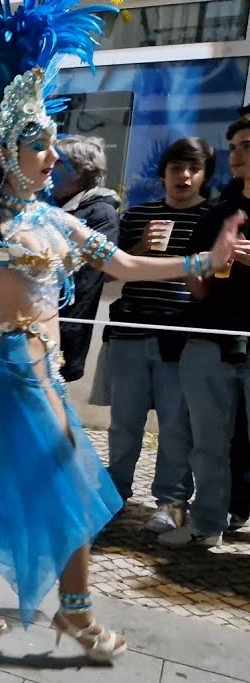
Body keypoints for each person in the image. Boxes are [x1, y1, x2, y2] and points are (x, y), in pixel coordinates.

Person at [0, 0, 248, 663]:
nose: (55, 154)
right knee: (74, 485)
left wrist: (205, 260)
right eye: (42, 144)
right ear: (10, 152)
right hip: (12, 369)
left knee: (27, 489)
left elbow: (123, 263)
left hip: (44, 370)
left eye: (54, 142)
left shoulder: (57, 221)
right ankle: (78, 616)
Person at [103, 137, 213, 528]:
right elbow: (109, 270)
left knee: (175, 424)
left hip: (180, 337)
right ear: (163, 173)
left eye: (192, 169)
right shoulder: (139, 214)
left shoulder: (212, 218)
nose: (182, 176)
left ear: (203, 175)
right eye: (175, 168)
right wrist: (138, 245)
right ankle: (113, 494)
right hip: (130, 331)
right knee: (124, 423)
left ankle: (171, 502)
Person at [159, 117, 250, 548]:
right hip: (209, 338)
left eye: (246, 146)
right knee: (208, 442)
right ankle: (206, 524)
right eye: (233, 147)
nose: (236, 156)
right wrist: (202, 268)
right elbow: (198, 291)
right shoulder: (217, 212)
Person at [51, 135, 121, 383]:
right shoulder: (48, 205)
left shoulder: (101, 213)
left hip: (61, 332)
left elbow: (83, 277)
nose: (48, 164)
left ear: (79, 171)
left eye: (57, 162)